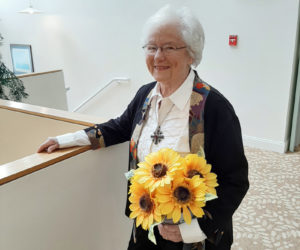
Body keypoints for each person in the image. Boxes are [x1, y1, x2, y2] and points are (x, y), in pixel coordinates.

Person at [38, 5, 249, 250]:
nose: (158, 56)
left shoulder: (214, 108)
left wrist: (191, 231)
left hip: (192, 235)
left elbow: (235, 181)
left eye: (169, 47)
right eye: (151, 47)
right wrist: (67, 139)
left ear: (191, 53)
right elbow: (119, 126)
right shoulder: (146, 94)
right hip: (146, 224)